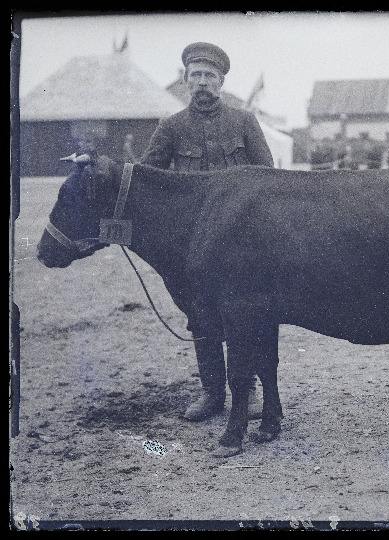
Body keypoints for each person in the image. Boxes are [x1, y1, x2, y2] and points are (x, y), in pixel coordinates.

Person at [140, 42, 274, 422]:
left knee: (248, 315)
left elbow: (268, 178)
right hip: (192, 246)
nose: (202, 82)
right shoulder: (170, 127)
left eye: (209, 76)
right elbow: (146, 179)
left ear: (221, 81)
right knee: (201, 317)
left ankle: (246, 394)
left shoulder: (244, 122)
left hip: (242, 244)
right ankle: (212, 393)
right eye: (195, 75)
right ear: (185, 80)